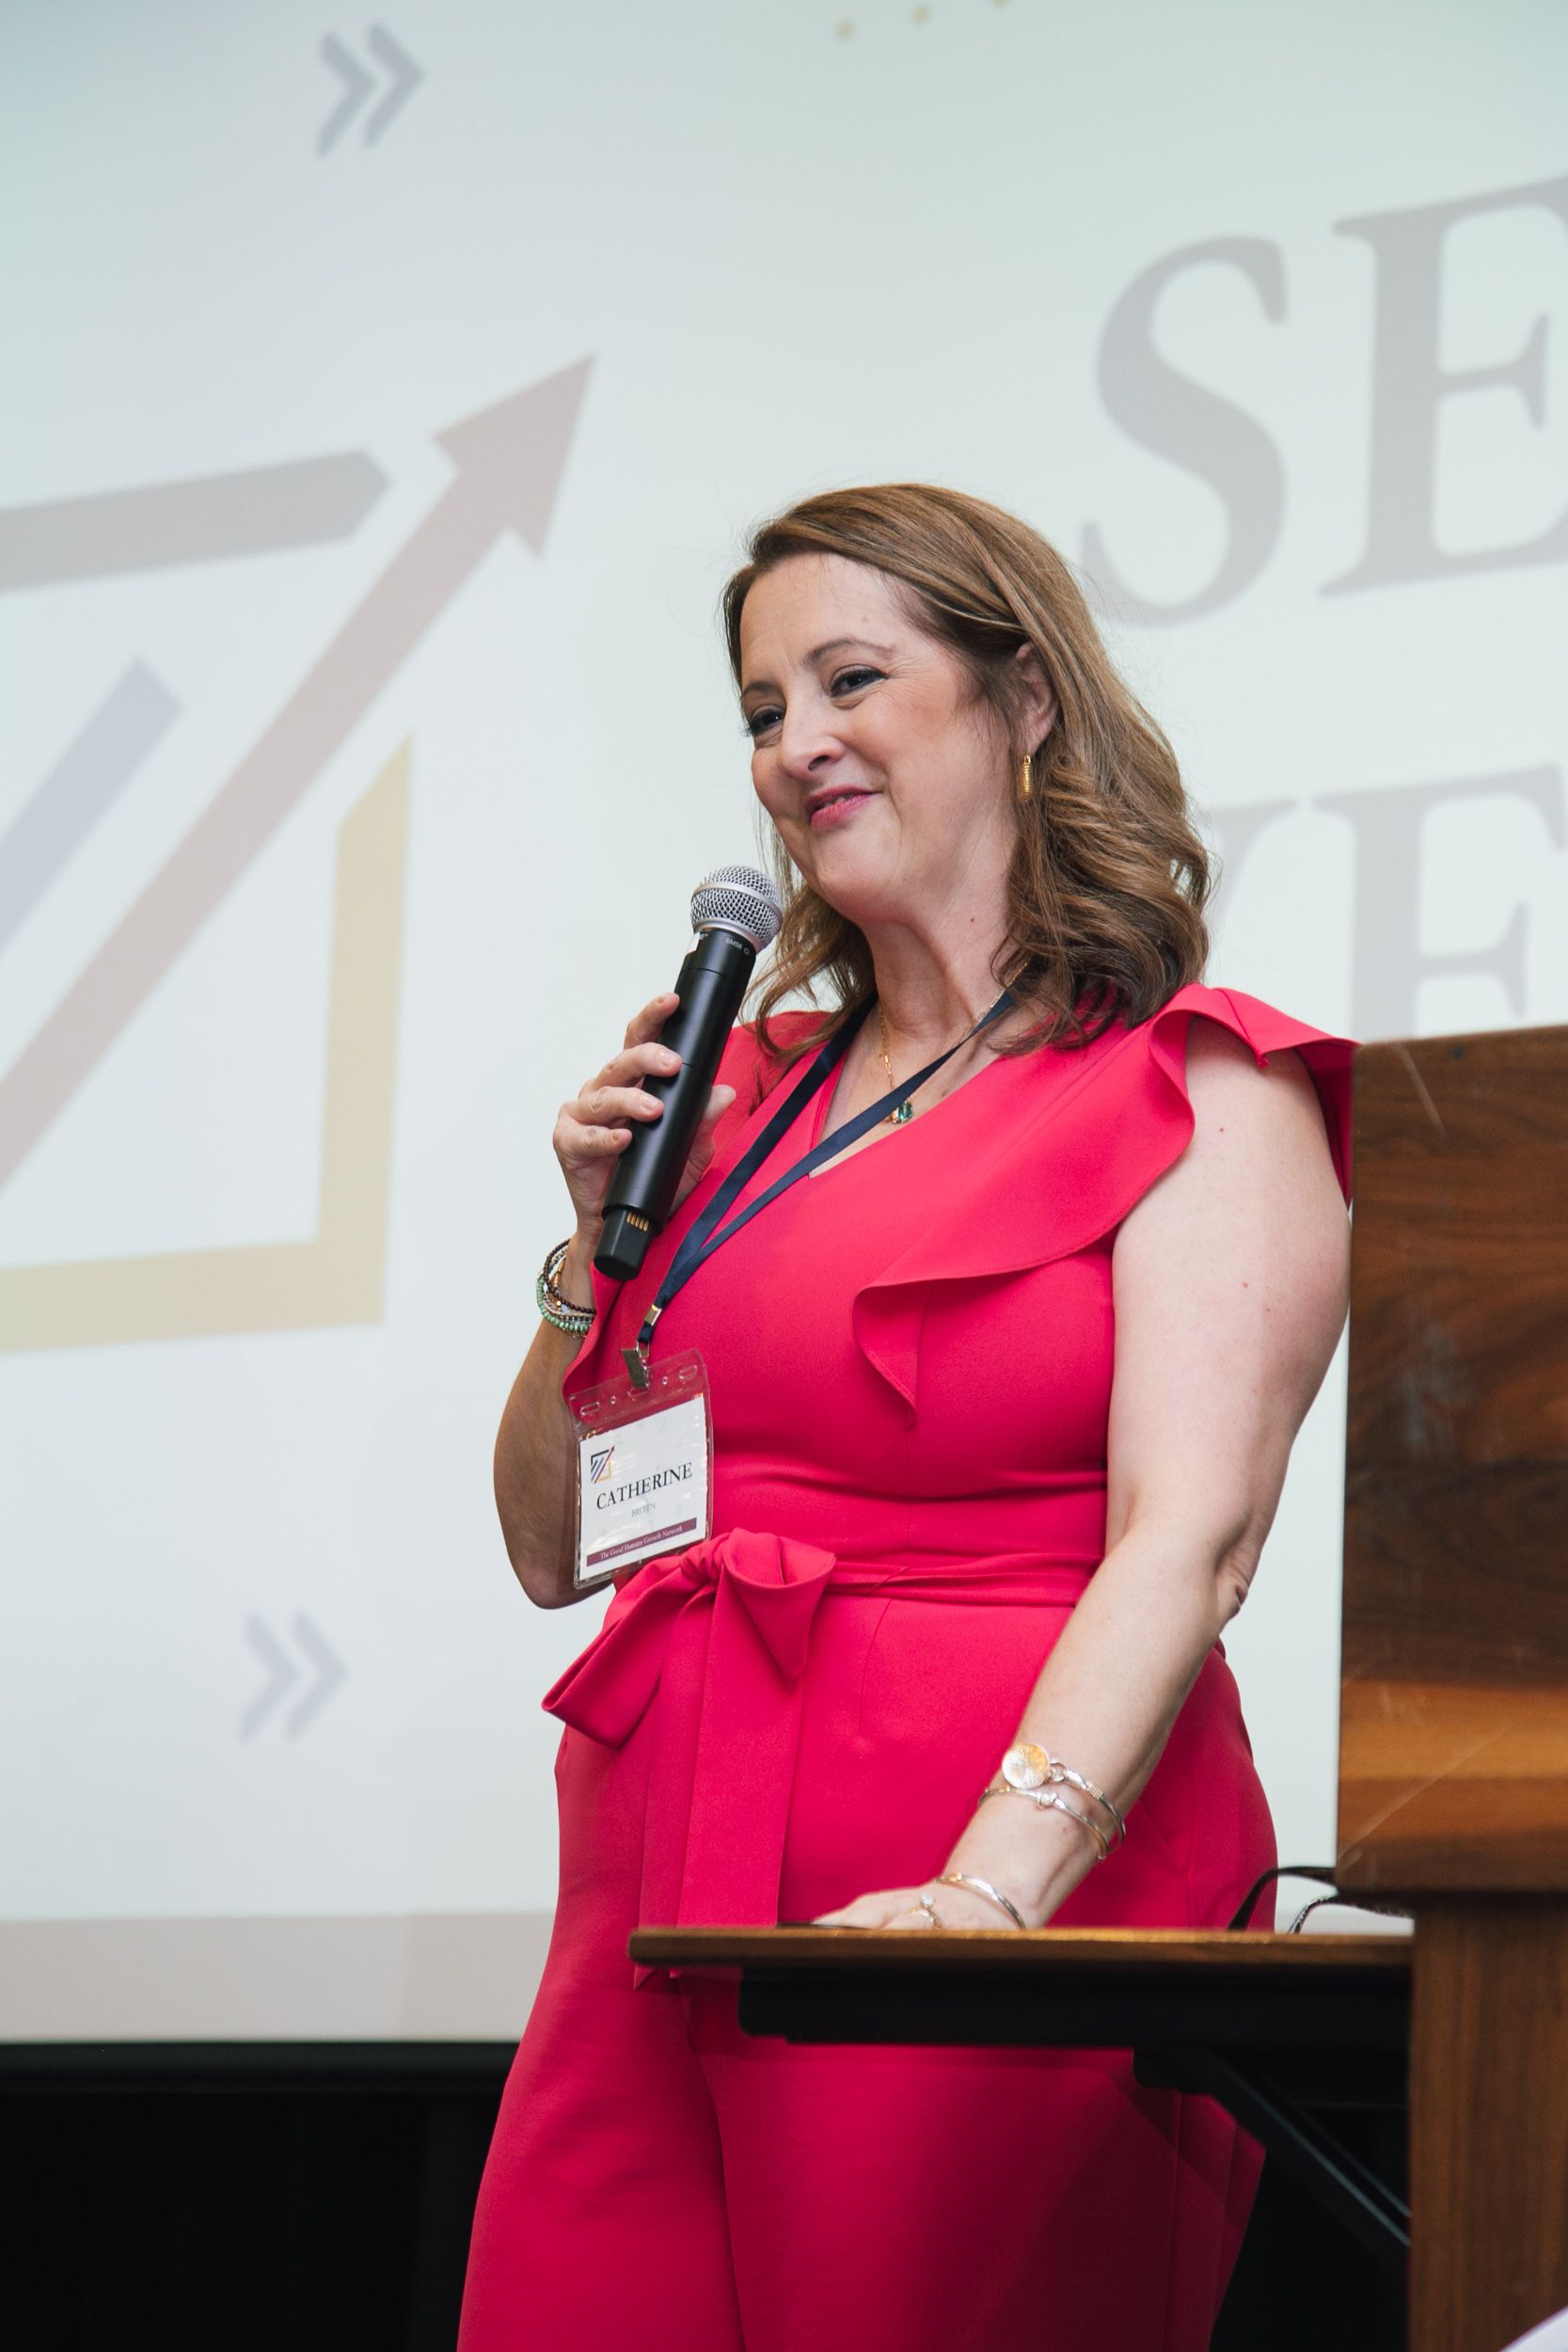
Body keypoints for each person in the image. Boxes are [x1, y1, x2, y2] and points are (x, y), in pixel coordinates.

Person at [457, 484, 1354, 2352]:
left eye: (849, 679)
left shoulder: (1199, 1087)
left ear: (1024, 701)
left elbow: (1190, 1540)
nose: (797, 744)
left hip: (1006, 1896)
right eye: (762, 710)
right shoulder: (735, 1101)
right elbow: (556, 1547)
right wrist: (577, 1259)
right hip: (663, 1889)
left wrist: (985, 1896)